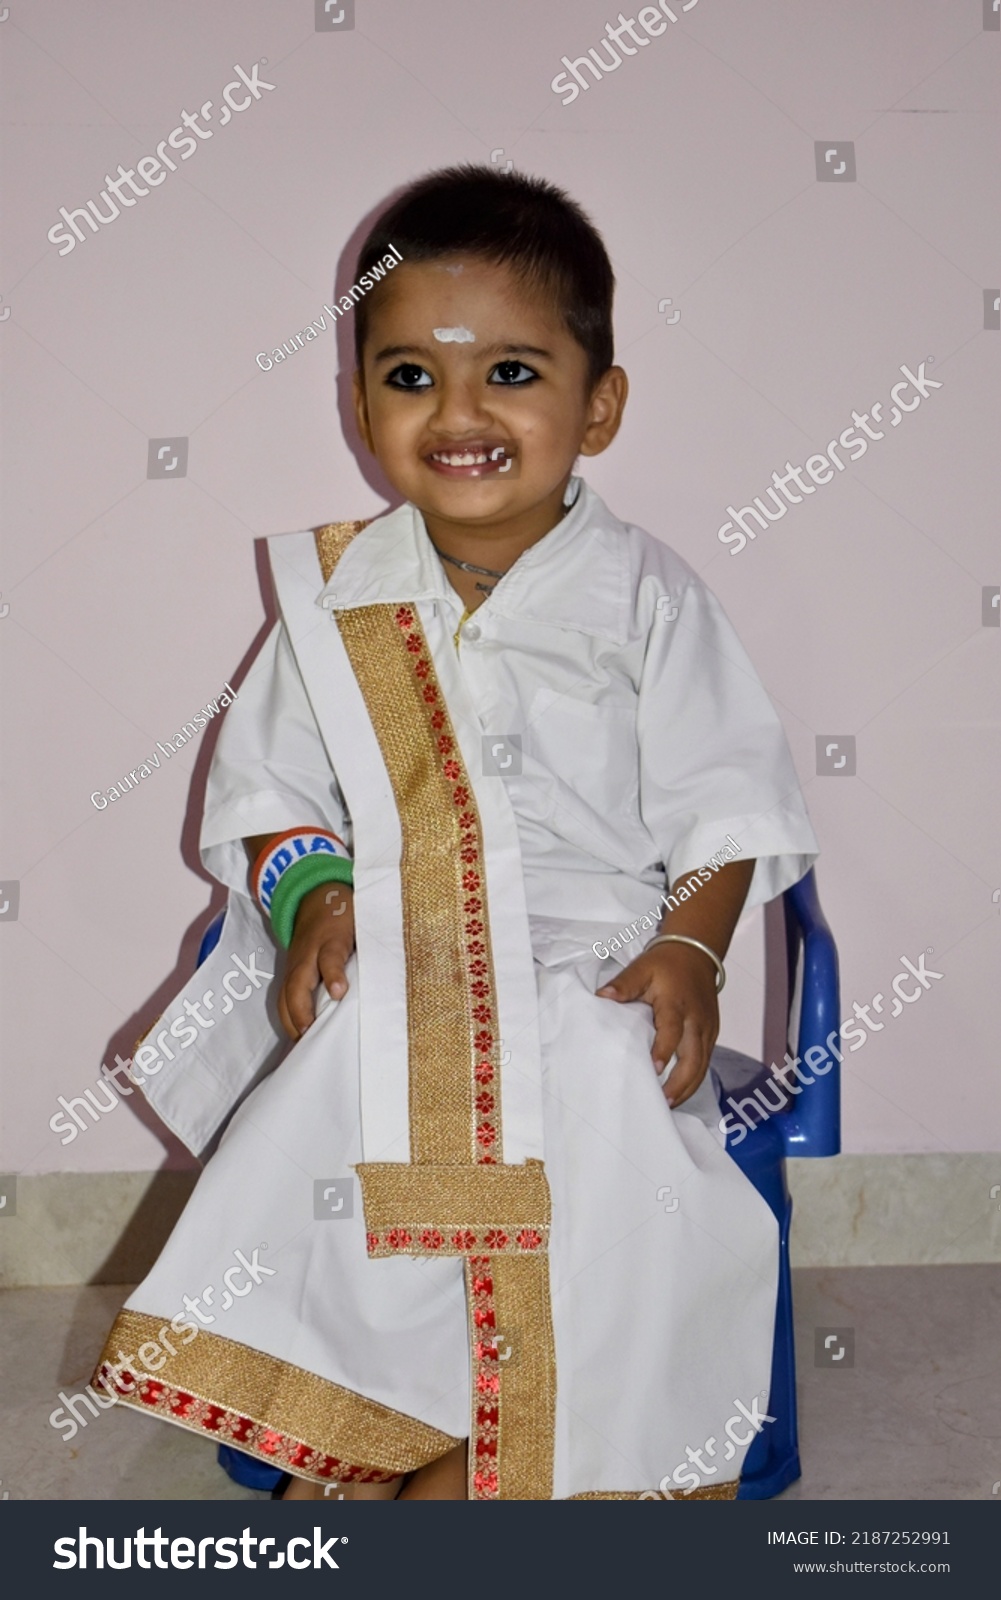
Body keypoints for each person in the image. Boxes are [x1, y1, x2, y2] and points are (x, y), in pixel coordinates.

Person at [93, 165, 817, 1501]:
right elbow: (271, 796)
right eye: (411, 374)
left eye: (514, 373)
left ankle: (542, 1440)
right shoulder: (340, 599)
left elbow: (729, 797)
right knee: (357, 1064)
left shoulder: (647, 598)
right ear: (358, 402)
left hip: (602, 944)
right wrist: (311, 900)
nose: (460, 411)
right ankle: (382, 1414)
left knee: (596, 1080)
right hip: (395, 931)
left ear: (598, 405)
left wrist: (695, 952)